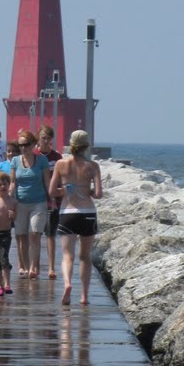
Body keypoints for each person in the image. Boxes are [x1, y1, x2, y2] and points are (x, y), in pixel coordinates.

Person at [49, 129, 103, 306]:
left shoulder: (60, 164)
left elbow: (51, 191)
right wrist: (86, 190)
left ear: (71, 144)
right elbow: (98, 194)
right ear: (86, 145)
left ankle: (67, 283)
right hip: (87, 213)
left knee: (67, 255)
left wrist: (64, 190)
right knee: (85, 256)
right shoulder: (93, 166)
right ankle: (84, 296)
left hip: (68, 212)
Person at [10, 129, 50, 278]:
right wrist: (7, 199)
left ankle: (33, 267)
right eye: (20, 145)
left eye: (26, 144)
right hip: (20, 203)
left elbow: (47, 182)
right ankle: (24, 267)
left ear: (33, 144)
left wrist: (54, 197)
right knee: (21, 235)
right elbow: (13, 183)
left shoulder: (41, 160)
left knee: (34, 234)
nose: (23, 148)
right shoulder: (14, 161)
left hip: (38, 202)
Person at [36, 124, 63, 280]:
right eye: (43, 138)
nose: (45, 141)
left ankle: (51, 268)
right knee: (35, 234)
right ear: (38, 139)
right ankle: (35, 266)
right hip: (36, 200)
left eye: (48, 138)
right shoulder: (34, 156)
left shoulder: (57, 157)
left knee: (50, 235)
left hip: (54, 202)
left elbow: (62, 178)